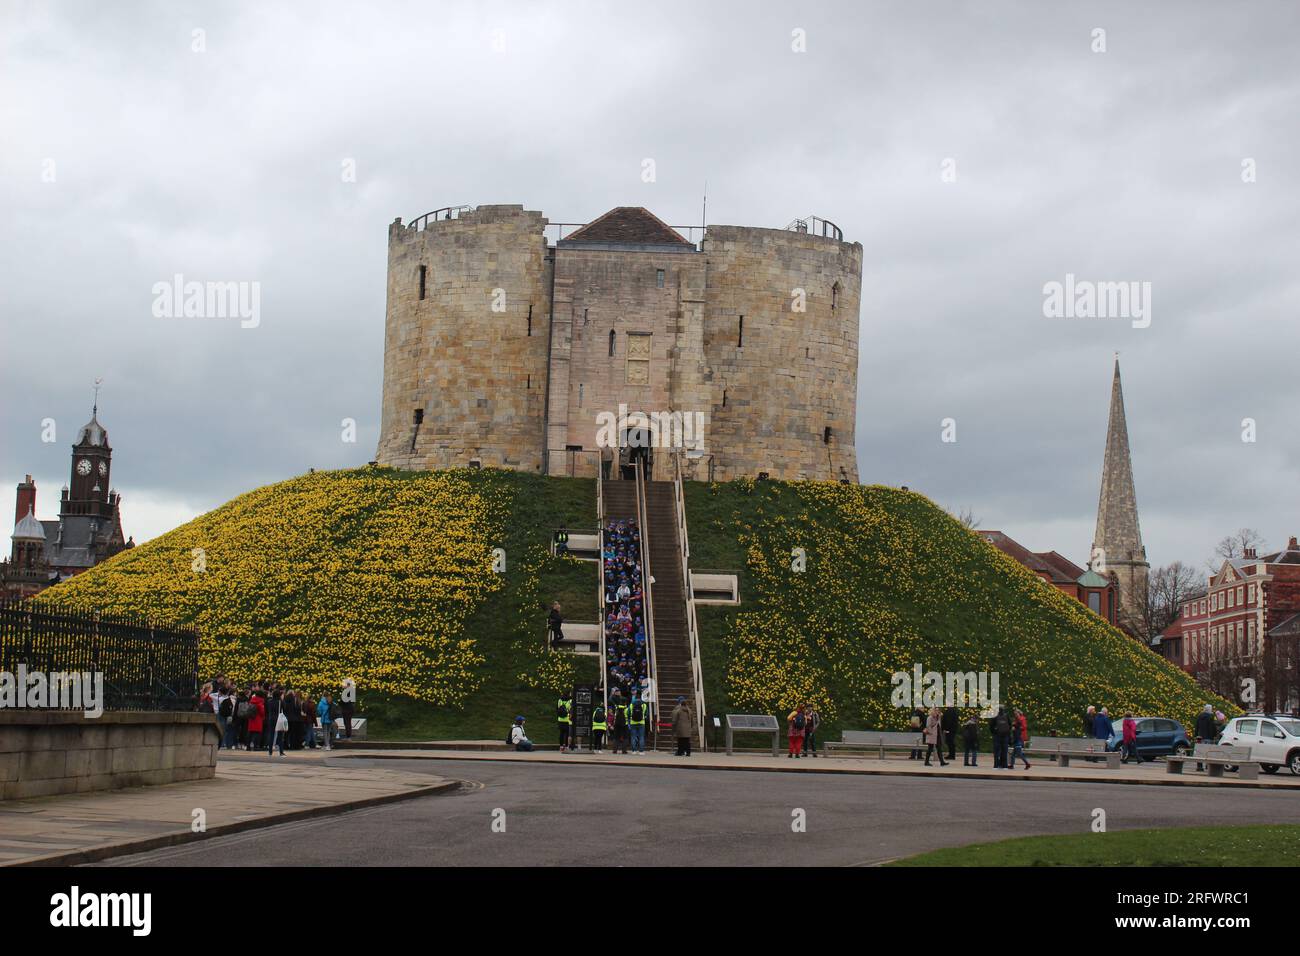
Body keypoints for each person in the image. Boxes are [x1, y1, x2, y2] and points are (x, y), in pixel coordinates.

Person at [1194, 704, 1217, 771]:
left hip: (1200, 736)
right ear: (1210, 709)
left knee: (1200, 752)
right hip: (1209, 737)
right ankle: (1208, 766)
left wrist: (1196, 735)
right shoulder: (1210, 716)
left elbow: (1197, 726)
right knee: (1209, 752)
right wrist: (1214, 735)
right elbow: (1212, 727)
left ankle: (1199, 767)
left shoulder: (1200, 716)